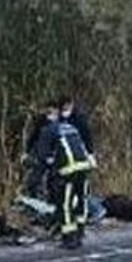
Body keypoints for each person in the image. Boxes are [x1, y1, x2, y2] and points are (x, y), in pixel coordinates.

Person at [33, 97, 96, 250]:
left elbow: (43, 157)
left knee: (65, 203)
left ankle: (69, 237)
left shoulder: (47, 131)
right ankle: (80, 230)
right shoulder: (70, 127)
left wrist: (37, 176)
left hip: (69, 170)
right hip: (83, 167)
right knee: (81, 198)